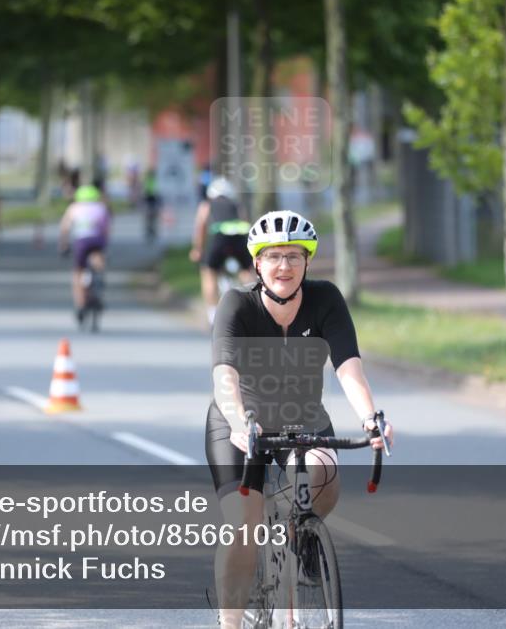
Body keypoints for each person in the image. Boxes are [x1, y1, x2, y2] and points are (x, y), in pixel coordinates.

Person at [205, 209, 394, 628]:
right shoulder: (237, 304)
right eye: (273, 256)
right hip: (241, 425)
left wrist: (370, 417)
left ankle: (301, 536)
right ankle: (231, 623)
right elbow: (224, 377)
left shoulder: (326, 299)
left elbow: (349, 367)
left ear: (307, 261)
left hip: (303, 419)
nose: (283, 266)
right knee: (245, 529)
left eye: (293, 256)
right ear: (257, 262)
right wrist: (239, 423)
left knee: (324, 471)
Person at [189, 176, 252, 325]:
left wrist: (197, 249)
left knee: (208, 272)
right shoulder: (237, 204)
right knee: (246, 272)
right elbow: (246, 221)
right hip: (239, 238)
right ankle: (255, 305)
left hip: (219, 240)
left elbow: (201, 227)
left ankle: (212, 315)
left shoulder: (207, 205)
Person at [58, 183, 111, 325]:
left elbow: (65, 228)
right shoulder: (101, 208)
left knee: (78, 272)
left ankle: (80, 305)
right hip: (98, 241)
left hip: (81, 242)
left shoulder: (74, 208)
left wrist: (63, 245)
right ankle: (100, 280)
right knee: (98, 259)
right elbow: (106, 229)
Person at [142, 168, 160, 240]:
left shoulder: (150, 181)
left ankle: (151, 230)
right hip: (150, 200)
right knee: (151, 217)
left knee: (151, 217)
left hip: (151, 200)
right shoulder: (151, 181)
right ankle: (150, 230)